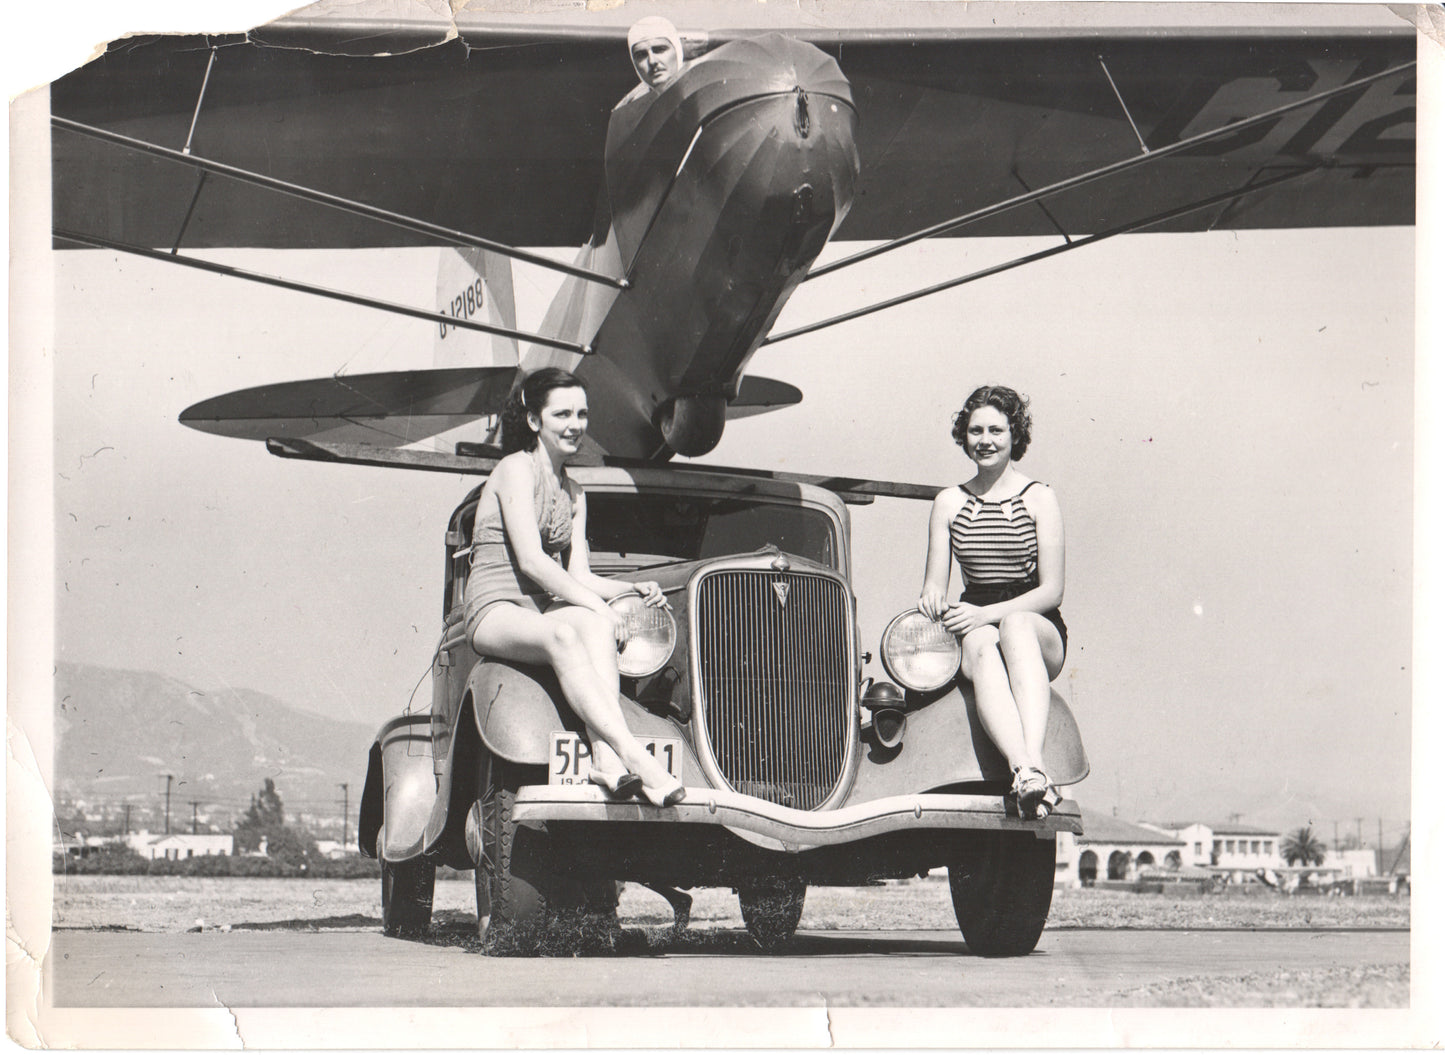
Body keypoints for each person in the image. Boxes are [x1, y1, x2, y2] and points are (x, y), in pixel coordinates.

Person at [465, 367, 685, 807]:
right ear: (534, 421)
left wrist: (631, 590)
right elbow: (530, 560)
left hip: (540, 607)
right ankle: (633, 754)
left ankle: (603, 756)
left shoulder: (576, 492)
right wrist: (597, 607)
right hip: (494, 605)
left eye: (582, 414)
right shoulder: (515, 469)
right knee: (568, 632)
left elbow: (579, 576)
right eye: (562, 414)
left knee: (598, 628)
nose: (575, 425)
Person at [918, 386, 1067, 820]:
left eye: (996, 430)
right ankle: (1023, 771)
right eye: (975, 430)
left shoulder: (1040, 497)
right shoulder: (949, 502)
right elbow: (934, 585)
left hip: (1037, 624)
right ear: (963, 437)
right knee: (982, 645)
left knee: (1015, 625)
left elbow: (1051, 591)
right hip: (975, 620)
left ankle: (1034, 762)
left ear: (1014, 435)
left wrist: (986, 614)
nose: (985, 439)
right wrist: (931, 599)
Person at [615, 16, 687, 109]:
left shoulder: (702, 91)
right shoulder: (628, 110)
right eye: (642, 55)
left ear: (677, 51)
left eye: (659, 50)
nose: (652, 61)